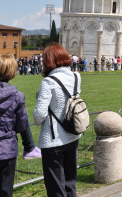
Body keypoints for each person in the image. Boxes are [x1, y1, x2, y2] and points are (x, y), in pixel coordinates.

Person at [33, 43, 81, 197]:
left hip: (53, 138)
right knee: (69, 181)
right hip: (72, 132)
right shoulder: (76, 76)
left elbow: (39, 115)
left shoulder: (49, 82)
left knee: (55, 185)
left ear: (49, 61)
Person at [0, 53, 41, 197]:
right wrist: (29, 145)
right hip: (5, 149)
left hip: (4, 147)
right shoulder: (17, 96)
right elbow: (22, 124)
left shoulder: (17, 96)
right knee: (4, 191)